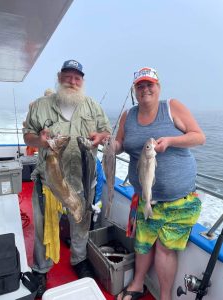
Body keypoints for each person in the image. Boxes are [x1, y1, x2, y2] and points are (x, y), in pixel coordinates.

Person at [115, 67, 206, 300]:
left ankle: (164, 296)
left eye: (149, 85)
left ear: (158, 87)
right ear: (134, 90)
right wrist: (109, 146)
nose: (145, 89)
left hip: (179, 200)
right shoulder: (128, 116)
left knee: (166, 249)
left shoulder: (172, 106)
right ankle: (137, 284)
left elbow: (198, 136)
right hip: (145, 197)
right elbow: (120, 144)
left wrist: (172, 141)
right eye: (140, 86)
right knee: (142, 243)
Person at [23, 59, 112, 298]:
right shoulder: (40, 106)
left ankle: (79, 260)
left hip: (83, 180)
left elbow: (106, 132)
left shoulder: (93, 106)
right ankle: (41, 269)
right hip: (49, 182)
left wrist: (100, 136)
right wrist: (39, 141)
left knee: (80, 223)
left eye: (77, 78)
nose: (72, 82)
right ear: (59, 77)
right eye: (68, 76)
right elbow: (28, 136)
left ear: (82, 81)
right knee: (44, 226)